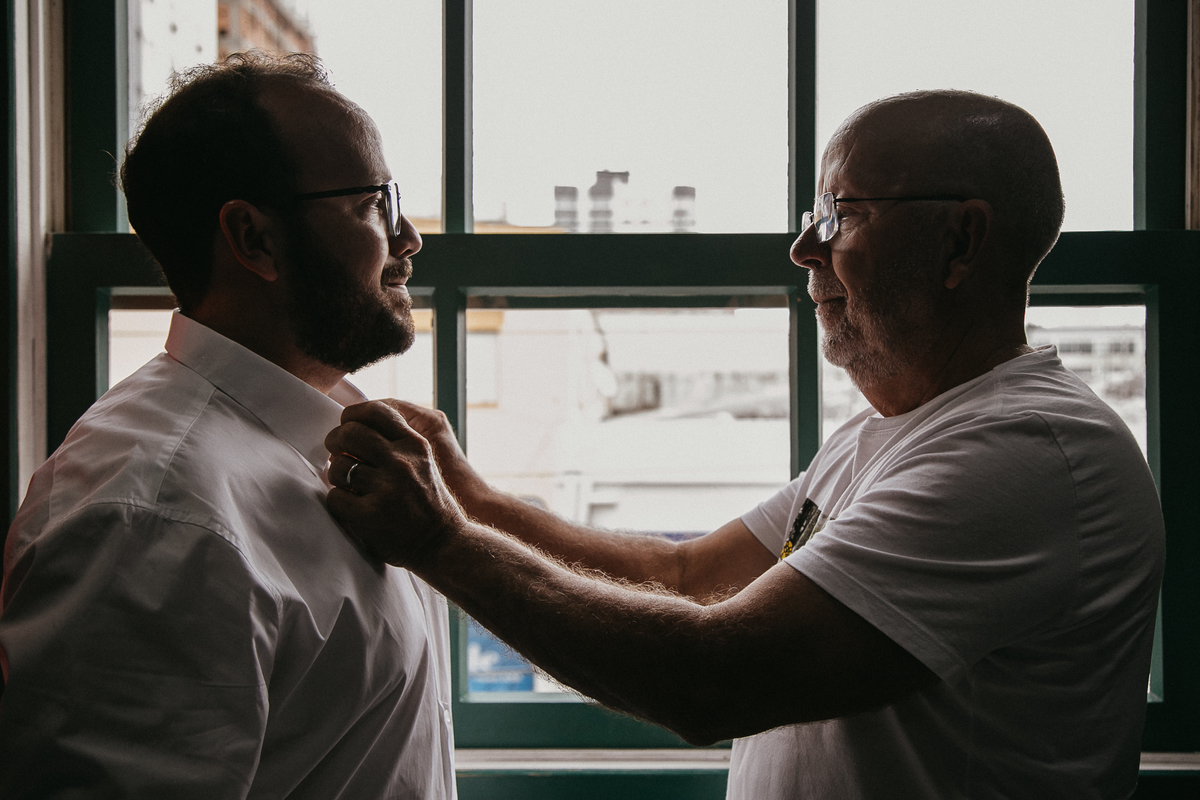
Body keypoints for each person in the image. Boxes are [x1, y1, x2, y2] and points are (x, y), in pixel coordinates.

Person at [323, 90, 1165, 799]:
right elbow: (685, 576)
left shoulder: (1025, 452)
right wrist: (469, 497)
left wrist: (442, 542)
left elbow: (714, 677)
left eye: (843, 216)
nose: (804, 248)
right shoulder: (884, 436)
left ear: (961, 242)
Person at [0, 53, 456, 798]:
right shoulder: (154, 514)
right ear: (254, 239)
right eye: (372, 203)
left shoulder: (330, 443)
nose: (407, 238)